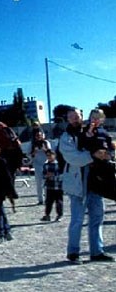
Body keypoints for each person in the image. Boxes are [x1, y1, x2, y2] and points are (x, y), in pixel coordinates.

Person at [59, 107, 115, 264]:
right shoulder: (67, 137)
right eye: (71, 117)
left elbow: (106, 144)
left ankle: (97, 251)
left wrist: (108, 153)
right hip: (78, 181)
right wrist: (92, 155)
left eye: (77, 116)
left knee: (98, 216)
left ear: (82, 116)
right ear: (68, 119)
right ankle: (73, 253)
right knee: (77, 219)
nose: (75, 119)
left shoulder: (93, 130)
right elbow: (72, 157)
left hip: (96, 181)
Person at [41, 149, 63, 222]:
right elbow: (43, 174)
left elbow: (62, 175)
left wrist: (53, 175)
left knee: (59, 202)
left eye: (50, 155)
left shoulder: (58, 164)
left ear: (54, 155)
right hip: (49, 186)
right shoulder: (45, 165)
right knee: (48, 202)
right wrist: (46, 176)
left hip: (58, 187)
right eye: (47, 155)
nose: (49, 157)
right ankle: (47, 215)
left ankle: (59, 215)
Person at [30, 130, 51, 205]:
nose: (39, 137)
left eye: (40, 135)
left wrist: (44, 149)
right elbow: (31, 155)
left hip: (45, 164)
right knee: (39, 183)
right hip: (37, 165)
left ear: (43, 135)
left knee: (46, 182)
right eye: (37, 136)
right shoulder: (33, 144)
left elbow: (50, 153)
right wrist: (34, 152)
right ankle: (40, 199)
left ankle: (47, 199)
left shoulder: (46, 143)